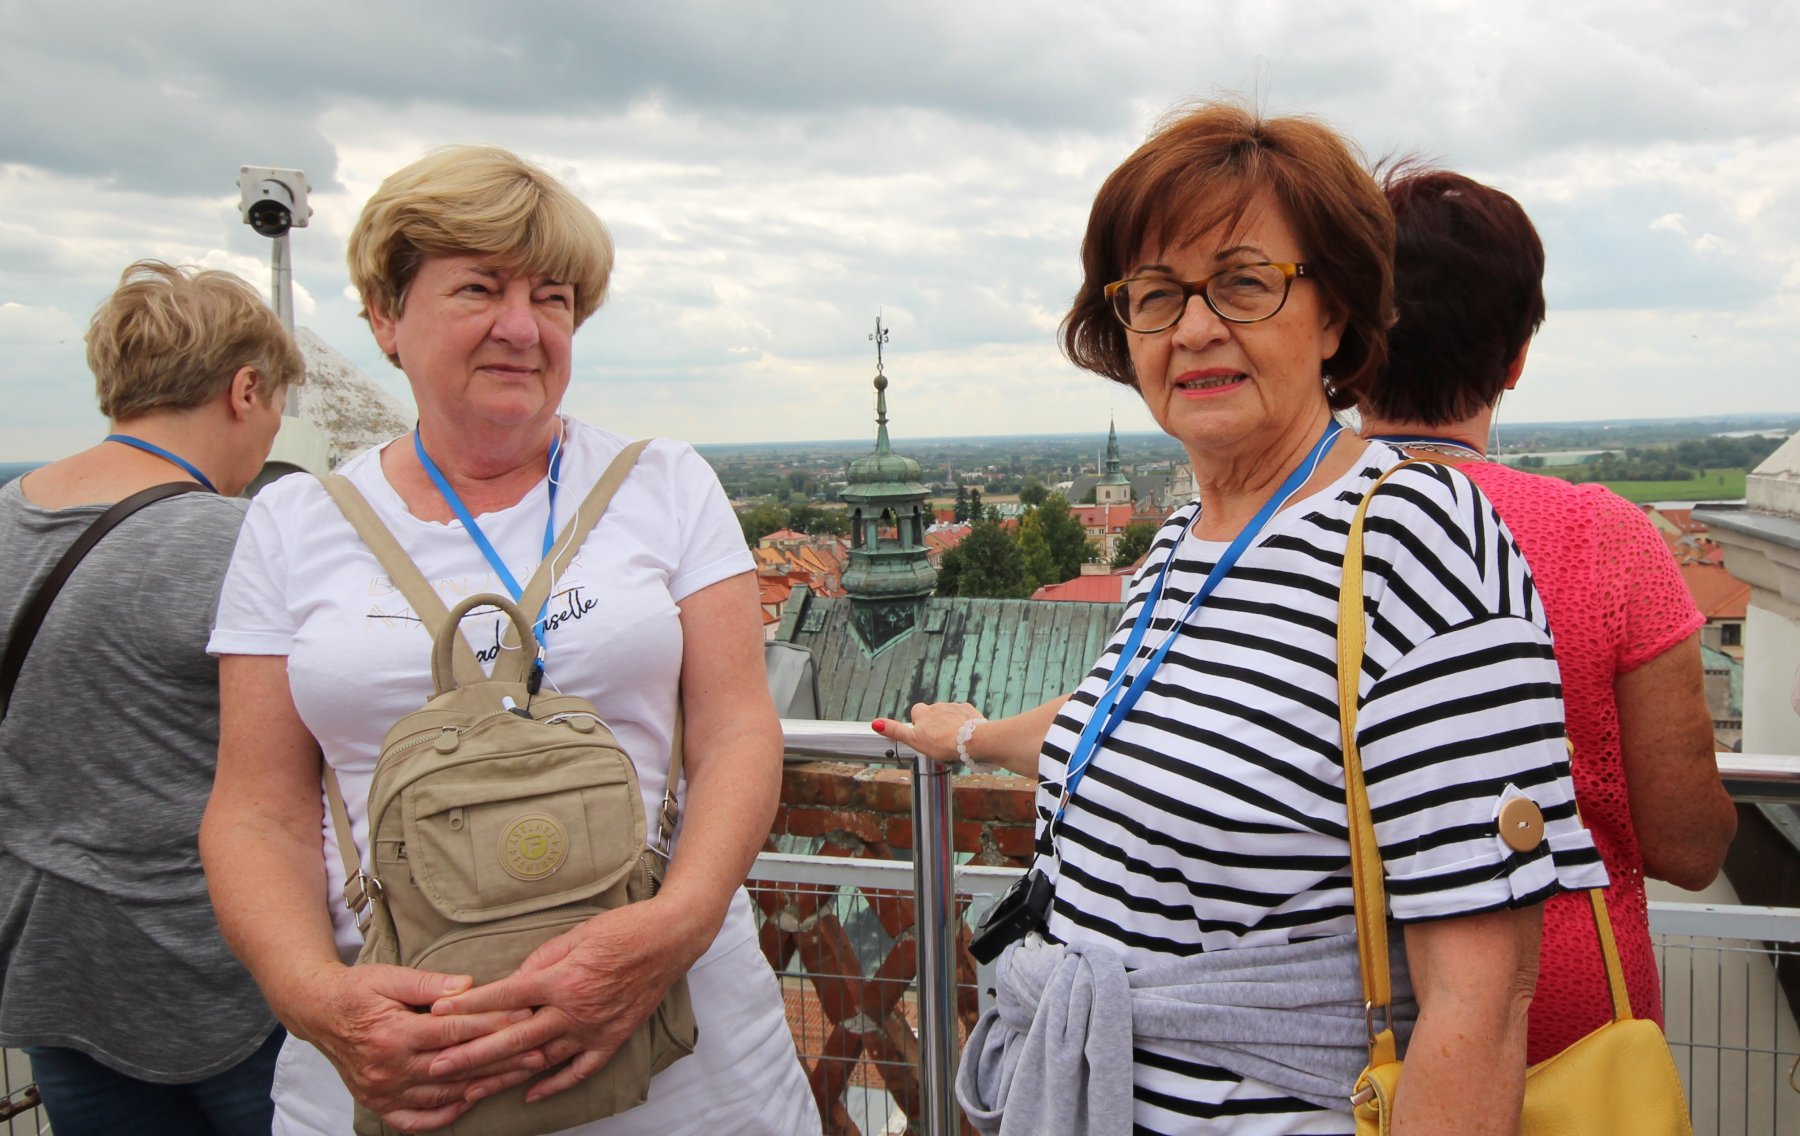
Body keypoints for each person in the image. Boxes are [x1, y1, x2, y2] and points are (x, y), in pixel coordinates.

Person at [874, 102, 1609, 1135]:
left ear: (1336, 315)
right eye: (1156, 294)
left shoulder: (1416, 539)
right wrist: (971, 737)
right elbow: (1151, 732)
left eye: (1245, 282)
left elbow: (1479, 1007)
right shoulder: (1183, 538)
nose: (1194, 328)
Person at [198, 145, 820, 1136]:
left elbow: (737, 729)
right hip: (405, 1068)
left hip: (688, 1068)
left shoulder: (664, 483)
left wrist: (673, 927)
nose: (523, 327)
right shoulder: (293, 524)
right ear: (385, 317)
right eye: (480, 288)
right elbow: (257, 810)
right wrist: (315, 997)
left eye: (553, 297)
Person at [1355, 165, 1736, 1064]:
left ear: (1347, 344)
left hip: (1347, 1037)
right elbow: (1690, 846)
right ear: (1516, 358)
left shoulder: (1283, 534)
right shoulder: (1604, 537)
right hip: (1572, 1038)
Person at [0, 260, 301, 1134]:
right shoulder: (232, 541)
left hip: (53, 964)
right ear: (246, 390)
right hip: (225, 978)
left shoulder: (8, 514)